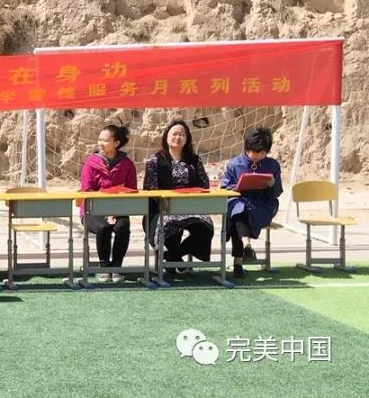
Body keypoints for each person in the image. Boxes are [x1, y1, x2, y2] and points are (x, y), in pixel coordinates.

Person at [143, 120, 214, 275]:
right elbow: (150, 188)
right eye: (174, 134)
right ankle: (174, 259)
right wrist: (168, 201)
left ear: (187, 138)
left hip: (190, 208)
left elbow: (204, 184)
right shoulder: (156, 160)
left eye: (182, 134)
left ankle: (173, 256)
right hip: (164, 209)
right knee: (170, 225)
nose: (178, 137)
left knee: (206, 228)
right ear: (166, 136)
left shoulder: (194, 160)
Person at [221, 127, 283, 278]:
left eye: (262, 153)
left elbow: (277, 192)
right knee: (236, 211)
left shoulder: (273, 165)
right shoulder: (234, 164)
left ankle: (240, 258)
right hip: (239, 199)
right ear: (247, 149)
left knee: (238, 214)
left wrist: (272, 184)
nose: (257, 156)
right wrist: (237, 187)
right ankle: (240, 257)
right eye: (254, 152)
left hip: (264, 203)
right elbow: (224, 189)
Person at [79, 125, 137, 282]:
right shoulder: (91, 163)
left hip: (118, 210)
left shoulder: (128, 165)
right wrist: (105, 213)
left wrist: (114, 213)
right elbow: (86, 191)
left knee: (123, 226)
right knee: (104, 227)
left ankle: (116, 268)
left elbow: (131, 192)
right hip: (92, 211)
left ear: (116, 143)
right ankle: (104, 267)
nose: (100, 143)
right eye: (99, 139)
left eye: (105, 140)